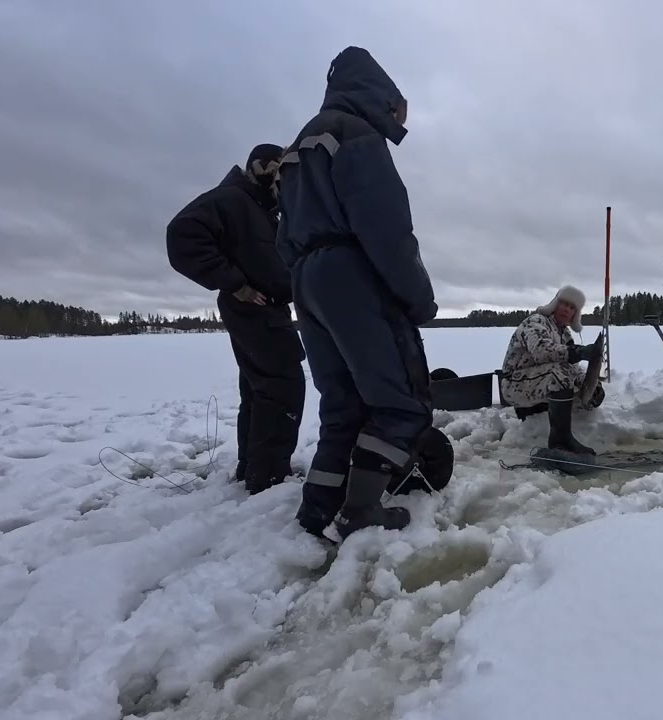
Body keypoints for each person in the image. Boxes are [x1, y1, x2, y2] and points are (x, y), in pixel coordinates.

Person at [275, 46, 453, 544]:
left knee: (343, 403)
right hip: (351, 272)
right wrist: (418, 299)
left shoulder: (299, 146)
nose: (400, 120)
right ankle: (359, 511)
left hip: (306, 280)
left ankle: (318, 510)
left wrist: (309, 280)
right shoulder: (356, 135)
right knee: (403, 405)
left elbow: (282, 237)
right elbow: (388, 229)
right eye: (398, 108)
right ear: (380, 96)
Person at [165, 144, 307, 495]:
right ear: (258, 168)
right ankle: (269, 478)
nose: (283, 179)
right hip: (253, 309)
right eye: (279, 170)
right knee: (282, 388)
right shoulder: (230, 199)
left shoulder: (261, 209)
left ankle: (253, 468)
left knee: (260, 391)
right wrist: (235, 284)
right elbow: (182, 234)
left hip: (269, 309)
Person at [499, 285, 605, 456]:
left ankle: (558, 425)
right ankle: (560, 440)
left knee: (570, 380)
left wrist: (592, 386)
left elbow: (573, 368)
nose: (566, 310)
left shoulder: (564, 333)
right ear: (555, 303)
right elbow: (541, 351)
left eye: (572, 308)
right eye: (564, 304)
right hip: (515, 384)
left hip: (539, 383)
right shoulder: (536, 322)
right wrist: (576, 352)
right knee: (559, 373)